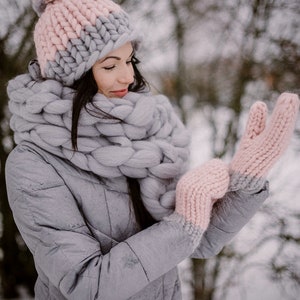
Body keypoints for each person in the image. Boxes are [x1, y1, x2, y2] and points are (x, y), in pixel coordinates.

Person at [5, 0, 299, 299]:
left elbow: (201, 241)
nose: (128, 77)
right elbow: (85, 285)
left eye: (129, 60)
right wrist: (182, 225)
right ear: (72, 76)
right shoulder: (33, 164)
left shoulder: (147, 131)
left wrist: (246, 180)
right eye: (109, 65)